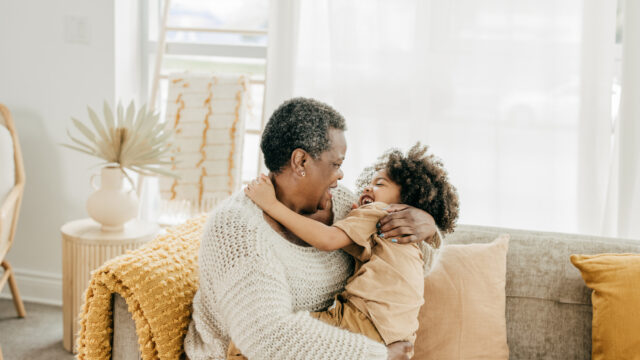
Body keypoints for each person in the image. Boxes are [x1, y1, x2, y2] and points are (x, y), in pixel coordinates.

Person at [184, 98, 438, 360]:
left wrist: (424, 227)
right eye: (336, 164)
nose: (341, 176)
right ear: (301, 161)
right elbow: (266, 338)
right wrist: (379, 355)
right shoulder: (237, 229)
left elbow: (398, 271)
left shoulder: (341, 203)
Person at [231, 143, 459, 359]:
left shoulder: (381, 211)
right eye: (369, 182)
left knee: (255, 336)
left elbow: (327, 239)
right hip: (397, 335)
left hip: (362, 321)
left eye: (380, 184)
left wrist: (271, 204)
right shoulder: (408, 238)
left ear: (407, 199)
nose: (369, 187)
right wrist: (355, 219)